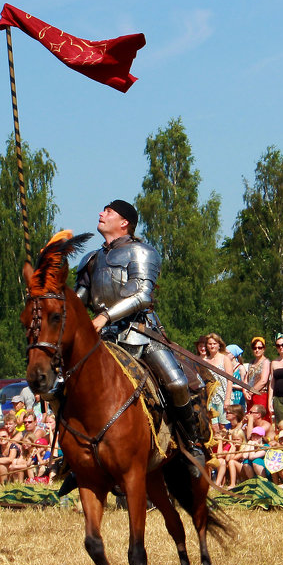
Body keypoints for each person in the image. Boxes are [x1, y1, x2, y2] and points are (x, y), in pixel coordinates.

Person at [73, 198, 208, 468]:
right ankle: (75, 459)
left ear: (124, 223)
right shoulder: (90, 259)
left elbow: (143, 296)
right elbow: (80, 301)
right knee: (69, 386)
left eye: (108, 211)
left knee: (177, 383)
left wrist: (104, 316)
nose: (101, 213)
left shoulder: (142, 253)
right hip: (103, 338)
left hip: (141, 333)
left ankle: (192, 444)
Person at [202, 333, 236, 423]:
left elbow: (230, 380)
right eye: (210, 344)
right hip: (210, 397)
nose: (212, 346)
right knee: (213, 426)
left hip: (223, 395)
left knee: (224, 425)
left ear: (219, 345)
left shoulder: (225, 359)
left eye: (214, 343)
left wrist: (227, 399)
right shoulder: (204, 361)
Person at [245, 337, 271, 409]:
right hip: (250, 396)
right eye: (254, 348)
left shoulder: (266, 362)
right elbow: (246, 379)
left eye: (259, 348)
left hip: (260, 395)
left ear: (263, 349)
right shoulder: (251, 363)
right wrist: (245, 392)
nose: (257, 350)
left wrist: (251, 391)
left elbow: (263, 381)